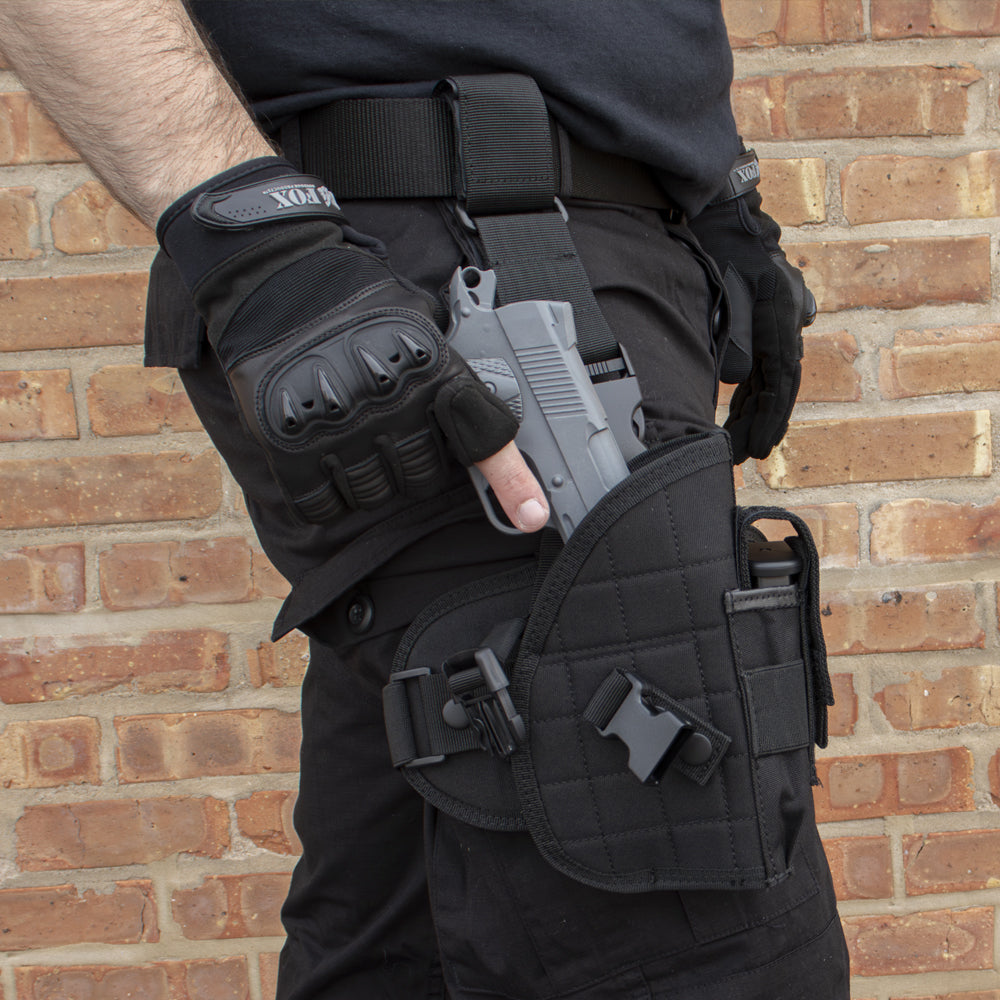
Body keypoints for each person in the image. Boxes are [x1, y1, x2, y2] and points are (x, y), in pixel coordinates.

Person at [0, 3, 850, 998]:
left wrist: (712, 194)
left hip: (575, 248)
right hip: (463, 264)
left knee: (400, 937)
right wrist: (254, 242)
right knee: (696, 922)